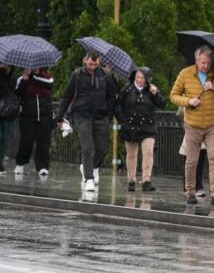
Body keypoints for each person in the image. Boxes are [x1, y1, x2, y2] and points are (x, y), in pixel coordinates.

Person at [170, 45, 214, 205]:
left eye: (208, 63)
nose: (206, 66)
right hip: (193, 124)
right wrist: (188, 101)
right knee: (192, 160)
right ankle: (190, 191)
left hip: (212, 125)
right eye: (203, 62)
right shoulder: (185, 74)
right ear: (197, 60)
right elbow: (173, 95)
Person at [55, 49, 118, 191]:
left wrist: (109, 115)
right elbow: (67, 97)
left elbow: (112, 96)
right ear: (85, 60)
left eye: (95, 64)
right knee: (88, 147)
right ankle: (89, 178)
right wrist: (59, 117)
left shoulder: (105, 75)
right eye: (90, 64)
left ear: (99, 61)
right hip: (82, 116)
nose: (92, 67)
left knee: (101, 148)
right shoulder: (77, 75)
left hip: (101, 116)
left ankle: (90, 167)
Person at [114, 67, 165, 192]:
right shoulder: (127, 89)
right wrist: (123, 121)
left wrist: (156, 93)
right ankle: (131, 180)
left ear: (147, 79)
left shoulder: (150, 90)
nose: (140, 80)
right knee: (131, 154)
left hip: (147, 126)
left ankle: (146, 180)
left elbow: (162, 104)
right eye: (138, 77)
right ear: (134, 77)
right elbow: (117, 105)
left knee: (148, 152)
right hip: (130, 126)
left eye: (142, 78)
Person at [178, 98, 214, 197]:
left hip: (213, 122)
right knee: (195, 158)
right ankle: (194, 187)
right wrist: (190, 102)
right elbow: (179, 98)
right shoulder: (190, 83)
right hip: (195, 121)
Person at [14, 68, 54, 177]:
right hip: (27, 117)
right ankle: (20, 163)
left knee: (43, 142)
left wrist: (34, 75)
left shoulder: (47, 77)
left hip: (44, 115)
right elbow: (18, 92)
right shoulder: (22, 78)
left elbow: (49, 84)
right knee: (26, 141)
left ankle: (43, 166)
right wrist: (25, 79)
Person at [0, 63, 16, 174]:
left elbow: (14, 93)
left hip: (6, 111)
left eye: (9, 66)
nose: (6, 67)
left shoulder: (12, 79)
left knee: (4, 137)